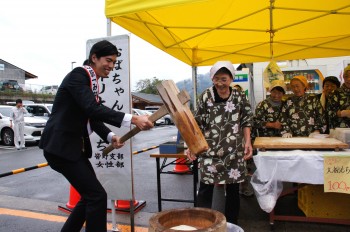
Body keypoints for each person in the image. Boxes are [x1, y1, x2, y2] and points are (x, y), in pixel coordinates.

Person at [39, 40, 153, 232]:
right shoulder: (79, 75)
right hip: (61, 148)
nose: (111, 66)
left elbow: (90, 115)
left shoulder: (91, 81)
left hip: (72, 149)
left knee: (90, 196)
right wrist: (133, 119)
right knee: (97, 196)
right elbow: (92, 108)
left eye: (114, 62)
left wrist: (110, 136)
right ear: (94, 58)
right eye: (108, 60)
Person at [186, 61, 253, 224]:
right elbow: (196, 124)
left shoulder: (238, 96)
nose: (220, 83)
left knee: (233, 189)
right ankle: (203, 222)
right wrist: (191, 146)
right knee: (205, 188)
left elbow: (246, 120)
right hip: (210, 151)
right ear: (212, 79)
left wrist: (248, 142)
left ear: (231, 79)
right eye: (216, 79)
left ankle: (231, 223)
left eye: (224, 79)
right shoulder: (205, 96)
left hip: (234, 150)